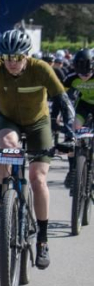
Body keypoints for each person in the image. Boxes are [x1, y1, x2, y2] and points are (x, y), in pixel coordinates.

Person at [0, 29, 75, 269]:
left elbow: (63, 101)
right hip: (9, 120)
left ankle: (42, 239)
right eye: (7, 57)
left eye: (18, 57)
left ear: (27, 55)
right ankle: (4, 202)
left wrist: (71, 134)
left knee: (37, 179)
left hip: (38, 123)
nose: (12, 63)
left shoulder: (40, 68)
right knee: (7, 147)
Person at [61, 48, 94, 187]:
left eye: (88, 73)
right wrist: (56, 114)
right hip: (84, 105)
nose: (84, 77)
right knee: (73, 133)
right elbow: (59, 96)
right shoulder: (70, 77)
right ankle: (72, 170)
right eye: (81, 74)